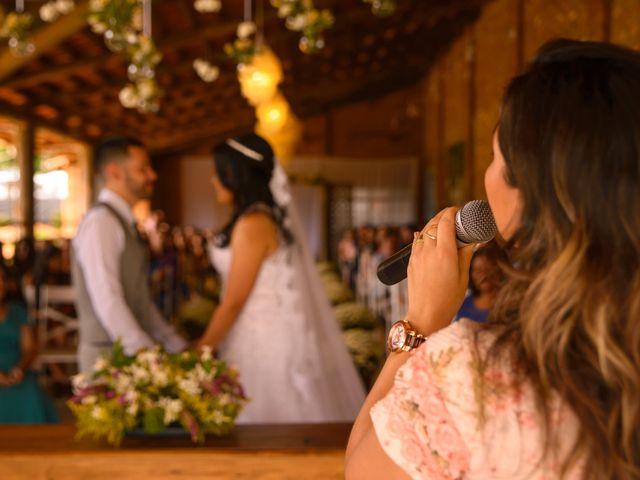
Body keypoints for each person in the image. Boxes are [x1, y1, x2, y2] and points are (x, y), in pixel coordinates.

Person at [345, 39, 640, 479]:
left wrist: (421, 322)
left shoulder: (475, 380)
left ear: (534, 194)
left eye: (495, 157)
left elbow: (360, 470)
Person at [197, 133, 365, 424]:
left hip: (263, 340)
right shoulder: (257, 218)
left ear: (235, 174)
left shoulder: (253, 224)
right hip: (254, 331)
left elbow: (234, 301)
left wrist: (200, 351)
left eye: (218, 172)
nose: (213, 180)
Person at [72, 136, 187, 374]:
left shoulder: (122, 221)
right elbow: (107, 298)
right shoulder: (101, 222)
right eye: (142, 169)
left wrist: (175, 344)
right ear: (114, 172)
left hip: (132, 358)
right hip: (108, 361)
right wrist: (146, 353)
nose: (152, 176)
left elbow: (140, 300)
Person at [0, 267, 59, 424]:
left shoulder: (18, 311)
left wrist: (20, 369)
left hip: (17, 371)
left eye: (2, 279)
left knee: (33, 396)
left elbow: (29, 349)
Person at [454, 241, 503, 323]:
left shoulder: (507, 302)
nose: (484, 275)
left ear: (498, 270)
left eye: (488, 269)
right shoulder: (465, 303)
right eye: (478, 270)